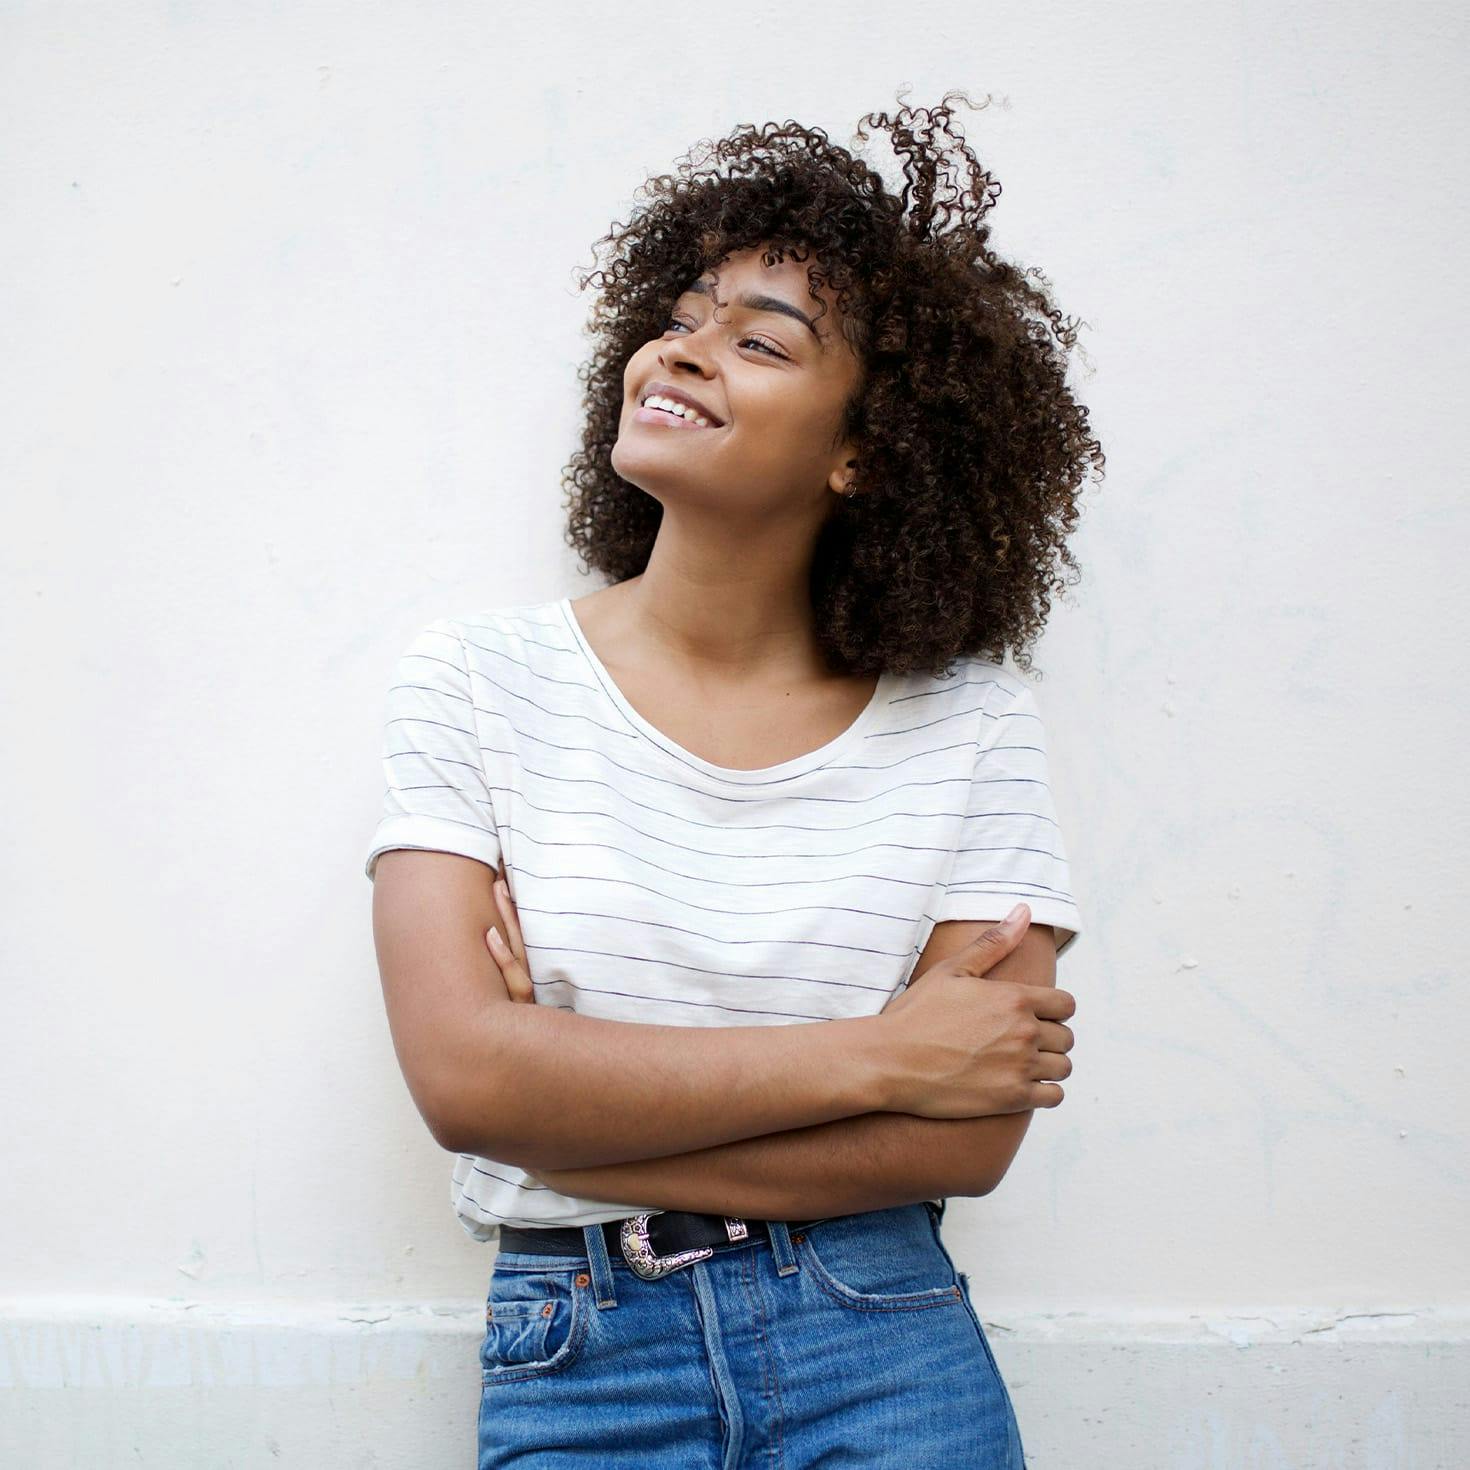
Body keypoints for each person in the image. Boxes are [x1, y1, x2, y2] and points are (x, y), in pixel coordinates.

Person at [366, 93, 1101, 1469]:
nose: (685, 350)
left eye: (758, 339)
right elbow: (467, 1080)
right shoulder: (475, 677)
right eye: (685, 314)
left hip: (881, 1334)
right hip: (579, 1349)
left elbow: (968, 1134)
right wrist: (884, 1055)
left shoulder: (971, 725)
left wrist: (565, 1113)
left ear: (862, 449)